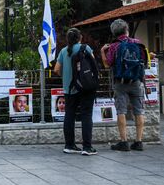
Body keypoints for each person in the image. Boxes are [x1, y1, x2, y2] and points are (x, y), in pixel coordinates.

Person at [100, 18, 146, 152]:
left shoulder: (114, 46)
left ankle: (124, 142)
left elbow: (107, 64)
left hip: (120, 83)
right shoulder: (138, 43)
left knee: (121, 111)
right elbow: (144, 61)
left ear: (114, 32)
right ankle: (138, 141)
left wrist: (103, 51)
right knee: (139, 111)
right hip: (136, 82)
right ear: (127, 30)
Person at [53, 28, 97, 156]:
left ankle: (69, 145)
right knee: (86, 115)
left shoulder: (63, 51)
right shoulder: (85, 48)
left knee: (69, 115)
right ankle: (87, 147)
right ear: (80, 37)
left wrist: (65, 77)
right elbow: (93, 64)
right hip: (85, 87)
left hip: (69, 88)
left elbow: (56, 69)